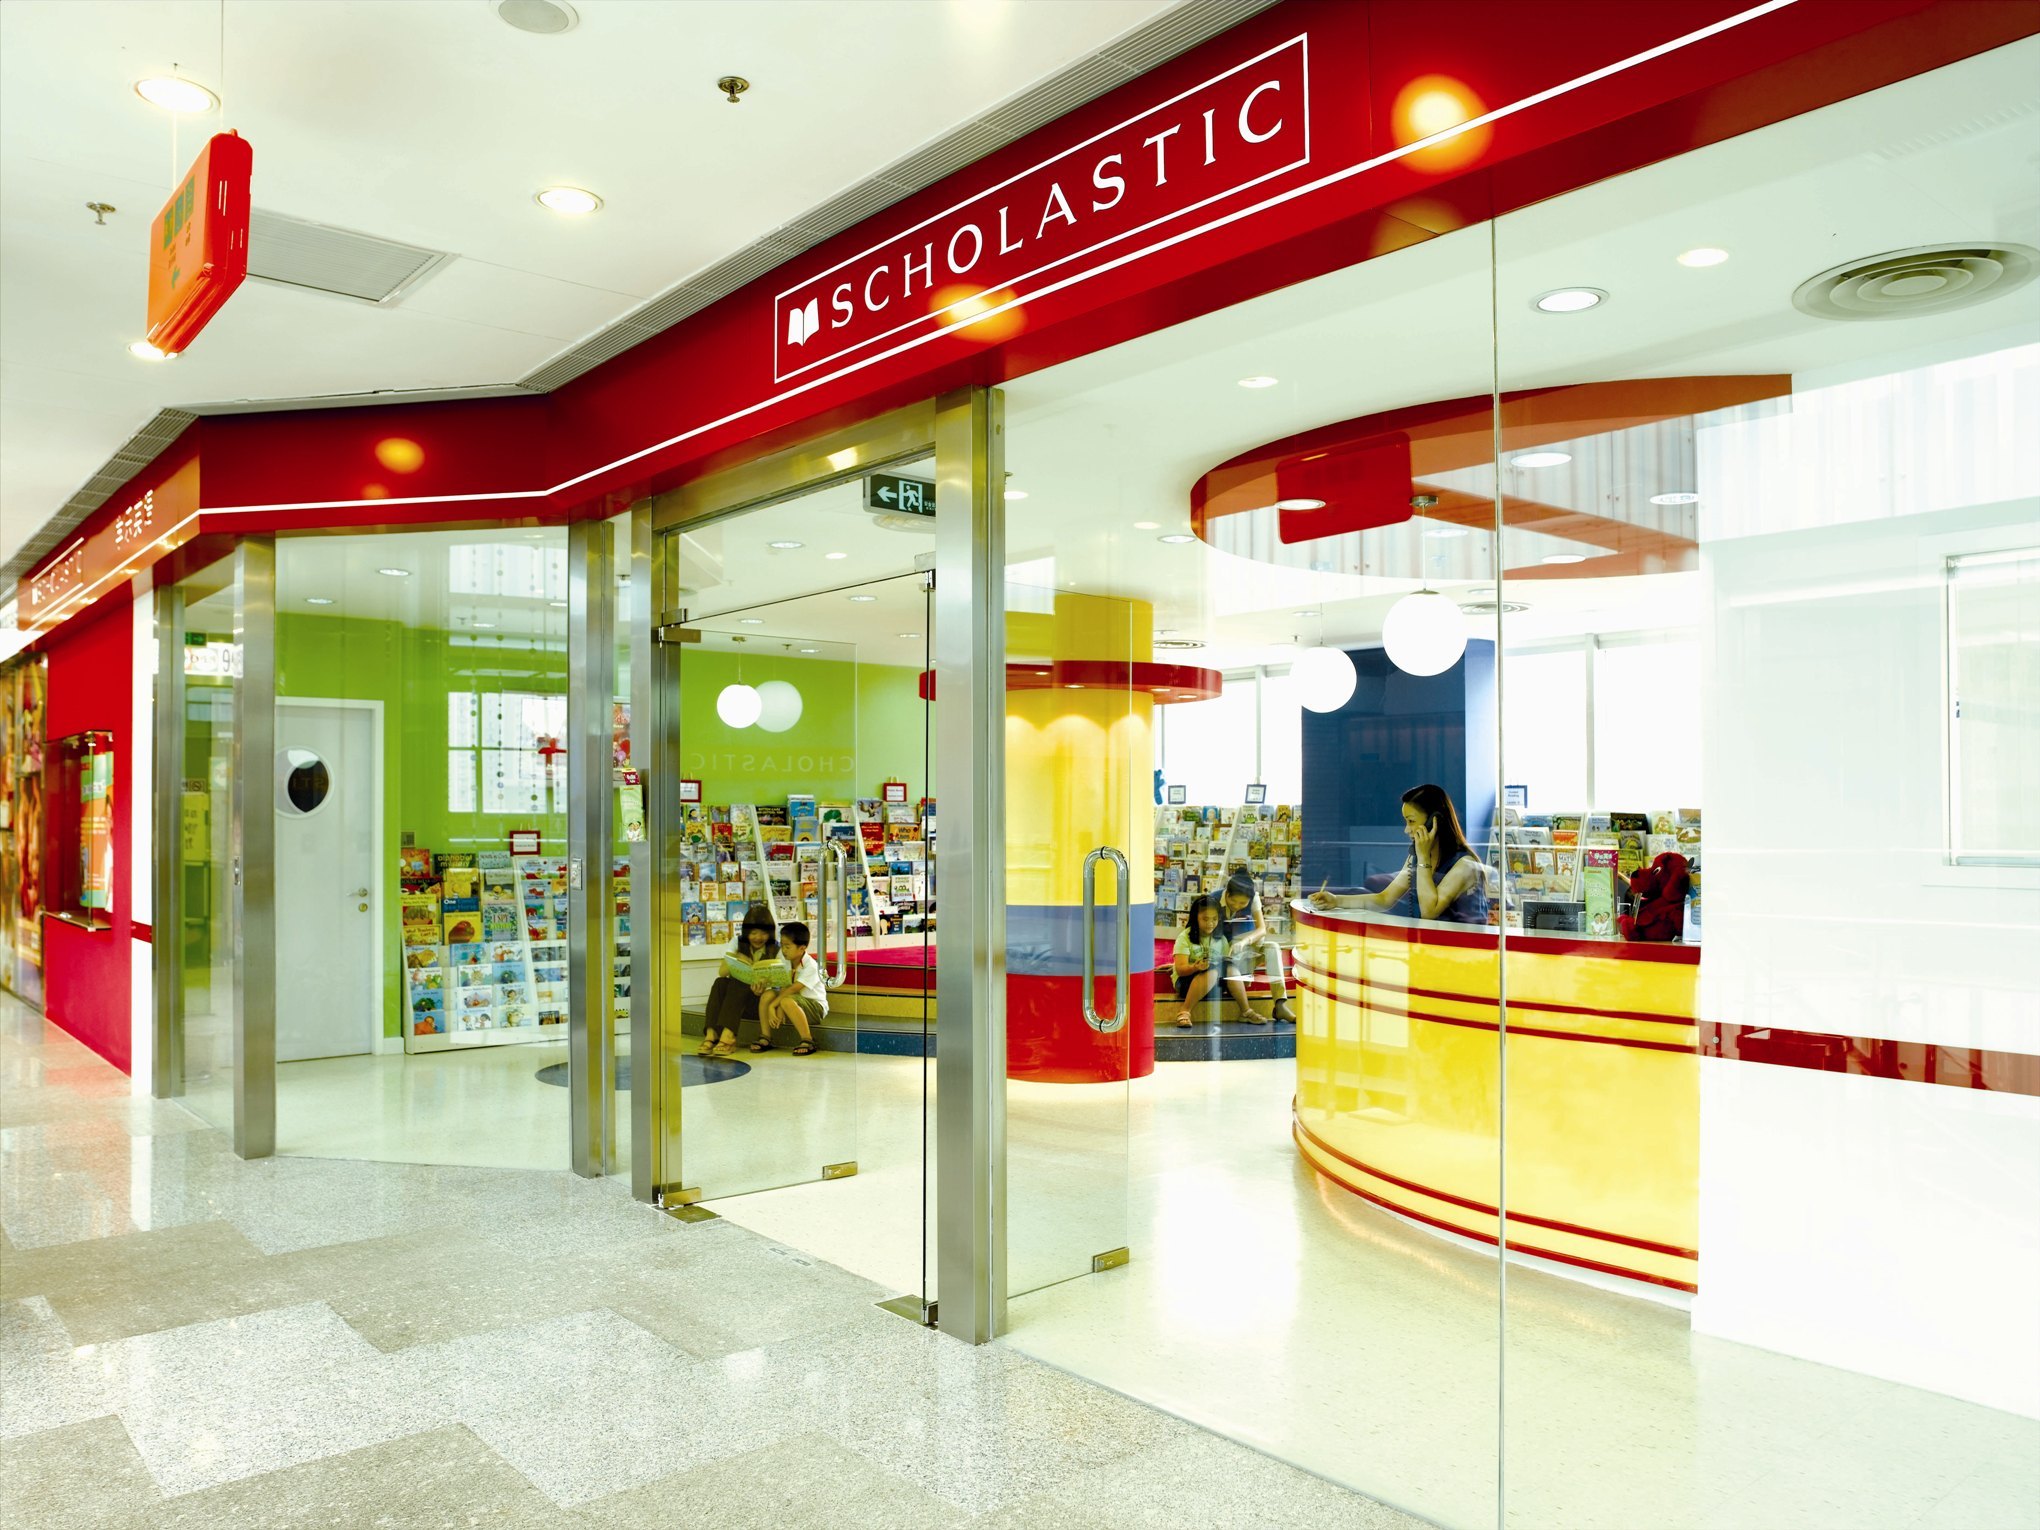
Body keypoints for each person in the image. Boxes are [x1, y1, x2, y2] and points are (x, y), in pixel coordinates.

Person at [1309, 783, 1490, 925]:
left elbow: (1429, 911)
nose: (1406, 830)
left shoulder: (1465, 865)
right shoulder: (1419, 857)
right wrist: (1336, 900)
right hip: (1432, 946)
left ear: (1434, 822)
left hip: (1464, 950)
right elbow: (1385, 899)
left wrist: (1423, 858)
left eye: (1411, 821)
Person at [699, 903, 779, 1058]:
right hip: (736, 1001)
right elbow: (722, 972)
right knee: (720, 983)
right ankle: (711, 1034)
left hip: (760, 1004)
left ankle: (728, 1036)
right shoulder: (737, 942)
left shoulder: (777, 948)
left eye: (763, 933)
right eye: (753, 933)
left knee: (740, 982)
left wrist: (764, 989)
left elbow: (780, 983)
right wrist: (737, 959)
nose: (758, 938)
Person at [1221, 871, 1295, 1024]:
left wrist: (1244, 942)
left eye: (1242, 903)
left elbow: (1262, 929)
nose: (1237, 906)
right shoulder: (1214, 899)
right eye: (1234, 901)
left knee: (1272, 947)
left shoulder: (1253, 898)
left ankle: (1280, 1005)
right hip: (1226, 959)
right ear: (1227, 894)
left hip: (1245, 952)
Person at [753, 920, 826, 1056]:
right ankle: (766, 1037)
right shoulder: (783, 958)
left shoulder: (811, 966)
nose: (783, 950)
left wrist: (773, 1006)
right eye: (782, 945)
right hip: (790, 1001)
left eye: (787, 946)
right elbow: (783, 984)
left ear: (802, 948)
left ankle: (808, 1040)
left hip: (814, 1008)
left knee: (786, 1001)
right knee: (767, 995)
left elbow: (793, 989)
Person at [1170, 894, 1230, 1027]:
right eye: (1205, 919)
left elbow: (1226, 962)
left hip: (1214, 985)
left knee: (1232, 970)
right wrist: (1195, 967)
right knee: (1212, 973)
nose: (1210, 923)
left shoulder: (1221, 939)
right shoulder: (1185, 937)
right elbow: (1180, 970)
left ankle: (1246, 1010)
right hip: (1186, 983)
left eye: (1214, 919)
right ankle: (1184, 1011)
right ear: (1195, 918)